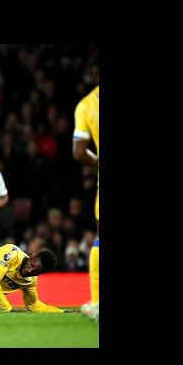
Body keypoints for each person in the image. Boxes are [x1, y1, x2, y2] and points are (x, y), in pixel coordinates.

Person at [72, 49, 99, 321]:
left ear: (95, 72)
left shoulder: (87, 106)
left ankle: (98, 302)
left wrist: (97, 161)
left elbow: (79, 152)